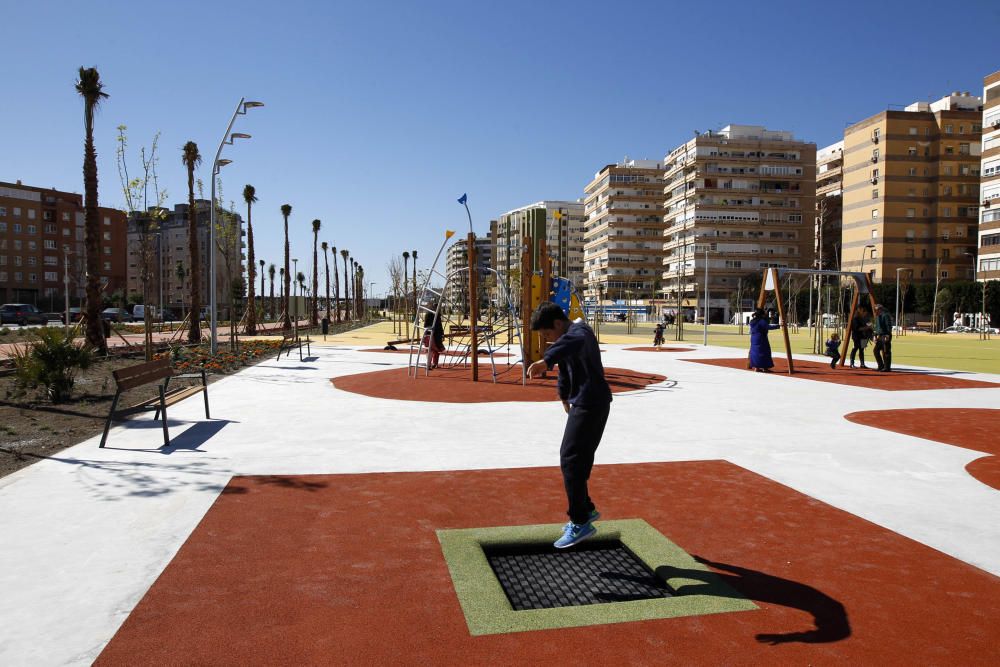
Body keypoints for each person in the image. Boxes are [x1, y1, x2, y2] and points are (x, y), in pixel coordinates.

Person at [526, 302, 612, 549]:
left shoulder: (580, 332)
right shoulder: (566, 338)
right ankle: (586, 509)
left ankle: (580, 520)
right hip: (586, 403)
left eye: (546, 335)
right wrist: (564, 395)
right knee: (579, 460)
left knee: (570, 459)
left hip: (591, 403)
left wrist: (546, 360)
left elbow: (567, 346)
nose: (547, 340)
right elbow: (564, 368)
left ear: (557, 323)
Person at [748, 308, 780, 372]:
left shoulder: (752, 321)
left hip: (753, 338)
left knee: (755, 352)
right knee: (765, 352)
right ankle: (765, 367)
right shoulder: (761, 321)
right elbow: (768, 327)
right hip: (761, 338)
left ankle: (756, 367)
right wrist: (778, 326)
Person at [872, 304, 893, 372]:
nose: (875, 311)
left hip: (885, 335)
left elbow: (889, 326)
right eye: (875, 310)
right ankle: (881, 366)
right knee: (876, 351)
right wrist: (875, 336)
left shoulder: (885, 315)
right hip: (880, 336)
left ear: (880, 309)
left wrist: (887, 335)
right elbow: (876, 327)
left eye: (876, 310)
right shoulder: (877, 317)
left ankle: (887, 368)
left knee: (886, 351)